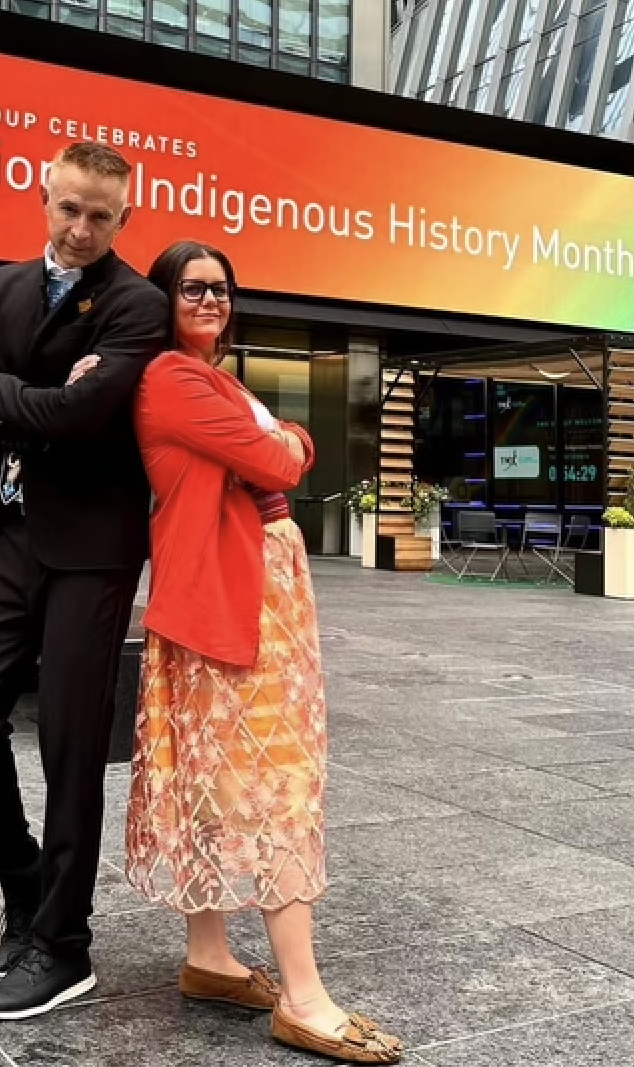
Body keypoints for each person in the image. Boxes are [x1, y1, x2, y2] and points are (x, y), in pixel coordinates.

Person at [116, 241, 403, 1063]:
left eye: (223, 289)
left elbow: (279, 452)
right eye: (192, 288)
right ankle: (304, 999)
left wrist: (278, 443)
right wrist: (282, 444)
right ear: (162, 299)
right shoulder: (173, 378)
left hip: (251, 589)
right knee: (276, 779)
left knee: (218, 776)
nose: (212, 300)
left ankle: (209, 956)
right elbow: (281, 457)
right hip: (232, 598)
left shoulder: (218, 380)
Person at [0, 141, 169, 1021]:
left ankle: (64, 947)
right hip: (8, 535)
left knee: (72, 744)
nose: (80, 229)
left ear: (123, 219)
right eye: (68, 209)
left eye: (100, 216)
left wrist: (0, 387)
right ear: (44, 200)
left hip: (92, 548)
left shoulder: (138, 304)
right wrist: (17, 388)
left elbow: (82, 415)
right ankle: (22, 885)